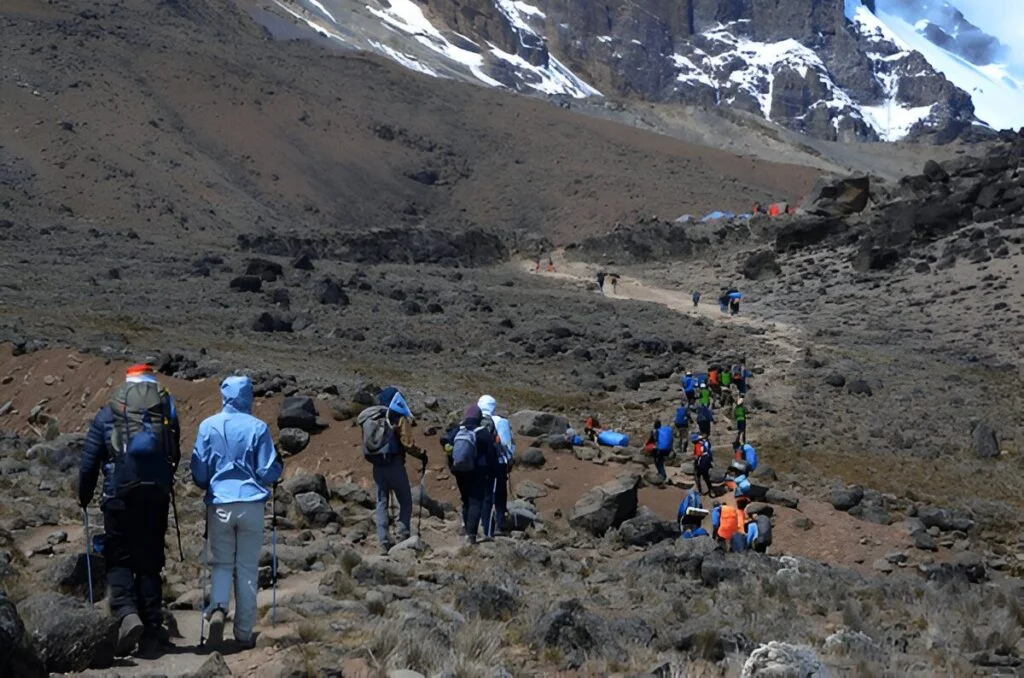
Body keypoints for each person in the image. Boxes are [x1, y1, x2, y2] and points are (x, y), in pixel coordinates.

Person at [78, 364, 181, 657]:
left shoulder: (109, 412)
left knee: (119, 558)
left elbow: (89, 460)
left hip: (118, 496)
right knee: (150, 562)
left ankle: (126, 612)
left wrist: (84, 495)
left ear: (127, 382)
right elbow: (173, 452)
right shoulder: (167, 410)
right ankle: (152, 629)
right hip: (155, 496)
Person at [190, 375, 283, 650]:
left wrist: (208, 483)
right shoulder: (258, 427)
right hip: (251, 504)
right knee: (247, 568)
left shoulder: (208, 426)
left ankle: (218, 608)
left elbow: (199, 471)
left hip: (220, 502)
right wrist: (278, 469)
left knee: (221, 563)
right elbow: (267, 471)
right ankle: (243, 632)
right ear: (247, 396)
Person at [359, 386, 428, 554]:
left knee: (381, 502)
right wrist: (422, 454)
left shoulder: (370, 417)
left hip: (377, 465)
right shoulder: (397, 417)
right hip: (395, 464)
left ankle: (383, 541)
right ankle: (402, 535)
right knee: (405, 500)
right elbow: (407, 444)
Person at [452, 404, 499, 545]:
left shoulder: (458, 430)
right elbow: (491, 455)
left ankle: (467, 530)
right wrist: (493, 471)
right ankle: (471, 535)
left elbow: (446, 442)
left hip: (460, 471)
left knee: (466, 501)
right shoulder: (483, 432)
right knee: (476, 501)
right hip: (477, 471)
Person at [478, 395, 515, 539]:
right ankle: (498, 524)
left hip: (479, 463)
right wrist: (510, 459)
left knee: (483, 494)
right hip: (498, 462)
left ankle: (481, 524)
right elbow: (506, 444)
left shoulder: (475, 420)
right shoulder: (500, 421)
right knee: (499, 494)